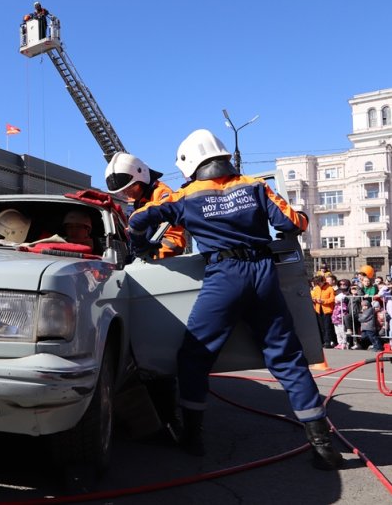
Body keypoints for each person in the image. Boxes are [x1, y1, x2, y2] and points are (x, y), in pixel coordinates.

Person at [127, 128, 343, 469]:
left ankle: (193, 438)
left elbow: (138, 219)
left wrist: (145, 248)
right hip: (263, 274)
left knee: (195, 357)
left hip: (223, 278)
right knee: (287, 359)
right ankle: (323, 445)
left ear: (190, 164)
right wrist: (292, 224)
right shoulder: (256, 186)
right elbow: (292, 222)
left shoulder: (185, 196)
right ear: (224, 156)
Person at [105, 152, 186, 258]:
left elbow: (173, 238)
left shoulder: (162, 194)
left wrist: (151, 258)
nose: (127, 194)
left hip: (160, 260)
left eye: (129, 189)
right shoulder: (135, 199)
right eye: (122, 192)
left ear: (142, 179)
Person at [311, 274, 337, 348]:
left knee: (327, 327)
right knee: (321, 327)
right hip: (318, 310)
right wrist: (314, 299)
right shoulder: (317, 288)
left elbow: (332, 299)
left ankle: (327, 342)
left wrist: (323, 301)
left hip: (327, 310)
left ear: (323, 281)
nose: (318, 285)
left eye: (319, 283)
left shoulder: (330, 288)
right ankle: (322, 341)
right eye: (317, 283)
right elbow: (314, 296)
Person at [332, 279, 352, 349]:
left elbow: (347, 302)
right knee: (337, 330)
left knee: (342, 329)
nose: (342, 286)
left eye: (344, 284)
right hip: (336, 311)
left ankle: (344, 343)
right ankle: (339, 342)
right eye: (341, 284)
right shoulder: (338, 292)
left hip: (342, 311)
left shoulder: (348, 293)